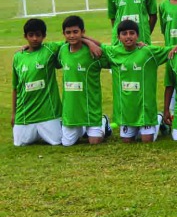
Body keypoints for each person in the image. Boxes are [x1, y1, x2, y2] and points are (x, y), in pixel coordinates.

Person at [106, 0, 157, 120]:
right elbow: (114, 19)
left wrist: (144, 35)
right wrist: (120, 38)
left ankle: (148, 116)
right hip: (120, 46)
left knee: (144, 82)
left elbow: (152, 15)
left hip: (141, 45)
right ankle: (120, 117)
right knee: (121, 83)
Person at [106, 20, 171, 143]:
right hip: (127, 112)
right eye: (124, 34)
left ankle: (158, 118)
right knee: (126, 141)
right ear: (118, 37)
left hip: (145, 111)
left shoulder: (148, 52)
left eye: (132, 33)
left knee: (146, 140)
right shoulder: (113, 53)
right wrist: (86, 40)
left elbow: (171, 50)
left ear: (138, 35)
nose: (128, 36)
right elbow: (99, 46)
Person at [55, 16, 111, 146]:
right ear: (63, 34)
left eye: (76, 32)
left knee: (94, 142)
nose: (72, 35)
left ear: (83, 32)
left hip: (90, 108)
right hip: (71, 111)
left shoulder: (93, 52)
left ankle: (103, 122)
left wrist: (89, 43)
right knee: (67, 143)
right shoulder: (62, 50)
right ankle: (80, 129)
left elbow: (110, 56)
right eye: (68, 32)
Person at [12, 18, 64, 146]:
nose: (35, 38)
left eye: (38, 35)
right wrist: (14, 113)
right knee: (18, 144)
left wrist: (90, 43)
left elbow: (73, 39)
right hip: (25, 114)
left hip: (48, 114)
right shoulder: (18, 57)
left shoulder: (50, 49)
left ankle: (101, 123)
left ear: (44, 36)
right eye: (31, 35)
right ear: (25, 36)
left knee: (58, 141)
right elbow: (15, 88)